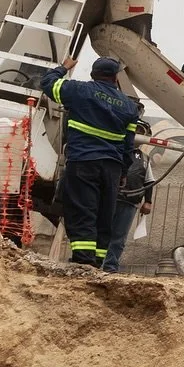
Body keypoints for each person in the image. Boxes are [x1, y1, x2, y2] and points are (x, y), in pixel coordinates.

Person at [39, 56, 139, 268]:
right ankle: (97, 262)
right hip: (111, 167)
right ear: (116, 78)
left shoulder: (79, 91)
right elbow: (128, 146)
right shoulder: (129, 107)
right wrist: (122, 173)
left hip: (84, 161)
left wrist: (63, 68)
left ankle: (83, 263)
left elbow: (47, 84)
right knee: (104, 214)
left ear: (93, 74)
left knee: (83, 210)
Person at [102, 115, 156, 274]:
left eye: (140, 131)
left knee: (119, 237)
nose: (137, 133)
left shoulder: (145, 159)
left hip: (130, 203)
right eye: (135, 130)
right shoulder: (114, 149)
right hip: (109, 199)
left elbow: (149, 181)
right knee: (102, 232)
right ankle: (94, 263)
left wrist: (148, 201)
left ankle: (110, 267)